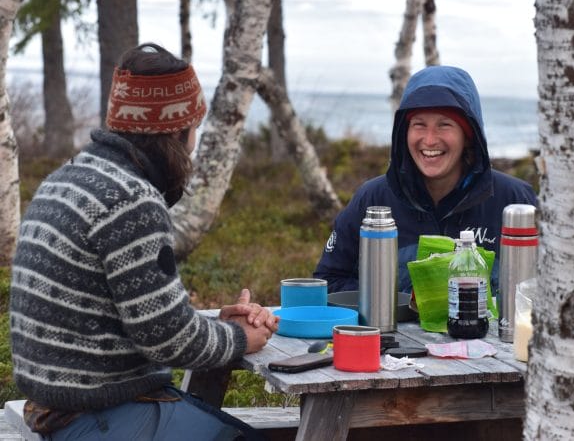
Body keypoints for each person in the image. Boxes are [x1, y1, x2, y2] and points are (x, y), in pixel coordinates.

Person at [9, 43, 278, 441]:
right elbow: (167, 338)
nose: (195, 140)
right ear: (177, 128)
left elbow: (143, 320)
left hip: (57, 404)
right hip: (94, 414)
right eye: (195, 127)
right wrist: (241, 339)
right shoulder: (131, 200)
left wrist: (212, 325)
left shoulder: (68, 178)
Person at [314, 65, 537, 295]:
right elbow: (329, 281)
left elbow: (554, 284)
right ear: (404, 132)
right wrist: (400, 300)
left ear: (469, 136)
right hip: (390, 331)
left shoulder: (515, 201)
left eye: (445, 125)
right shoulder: (373, 198)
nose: (429, 140)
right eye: (419, 124)